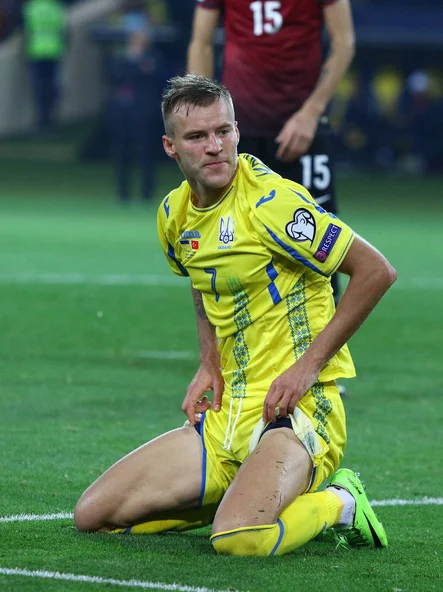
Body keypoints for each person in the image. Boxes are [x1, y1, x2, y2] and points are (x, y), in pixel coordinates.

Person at [74, 75, 396, 557]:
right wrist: (209, 361)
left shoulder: (273, 204)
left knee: (238, 539)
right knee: (92, 516)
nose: (214, 147)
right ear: (170, 146)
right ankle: (242, 492)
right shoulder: (174, 215)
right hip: (228, 416)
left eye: (223, 131)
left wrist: (307, 368)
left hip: (296, 412)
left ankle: (340, 502)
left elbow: (375, 272)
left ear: (238, 132)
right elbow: (201, 282)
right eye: (197, 137)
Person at [187, 0, 355, 308]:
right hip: (239, 130)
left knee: (320, 245)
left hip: (304, 127)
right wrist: (205, 119)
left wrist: (312, 113)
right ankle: (239, 346)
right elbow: (201, 41)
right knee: (232, 243)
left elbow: (344, 42)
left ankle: (324, 352)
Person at [107, 16, 166, 203]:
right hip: (123, 113)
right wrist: (138, 69)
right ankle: (122, 192)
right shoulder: (122, 57)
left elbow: (159, 79)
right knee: (122, 153)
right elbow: (115, 76)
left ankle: (147, 193)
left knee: (146, 153)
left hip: (145, 112)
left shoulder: (154, 57)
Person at [22, 0, 66, 135]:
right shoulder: (56, 7)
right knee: (52, 87)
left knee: (39, 89)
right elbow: (64, 31)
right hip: (54, 51)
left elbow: (26, 32)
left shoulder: (31, 8)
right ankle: (51, 121)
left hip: (36, 52)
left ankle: (42, 123)